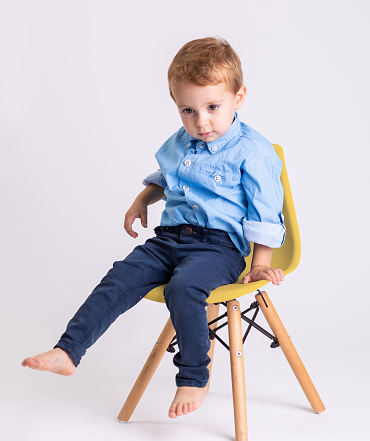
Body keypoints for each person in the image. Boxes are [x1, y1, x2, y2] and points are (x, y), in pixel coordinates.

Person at [22, 37, 285, 419]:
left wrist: (260, 263)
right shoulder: (182, 141)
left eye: (213, 107)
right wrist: (143, 200)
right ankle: (68, 350)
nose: (201, 121)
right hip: (169, 240)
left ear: (238, 97)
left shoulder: (252, 151)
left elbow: (265, 213)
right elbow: (168, 175)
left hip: (219, 248)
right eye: (188, 111)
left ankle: (194, 376)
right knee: (119, 277)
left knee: (185, 287)